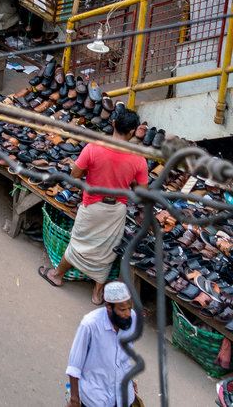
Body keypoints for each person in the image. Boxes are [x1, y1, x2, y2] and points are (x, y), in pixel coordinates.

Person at [40, 107, 147, 301]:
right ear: (133, 131)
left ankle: (57, 275)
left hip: (92, 204)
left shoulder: (93, 148)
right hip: (116, 209)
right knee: (106, 251)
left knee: (78, 242)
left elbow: (75, 175)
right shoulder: (139, 159)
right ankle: (97, 294)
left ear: (113, 124)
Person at [65, 281, 138, 407]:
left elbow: (124, 356)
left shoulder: (132, 318)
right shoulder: (90, 325)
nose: (127, 313)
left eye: (129, 308)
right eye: (122, 309)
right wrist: (75, 399)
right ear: (108, 307)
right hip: (95, 398)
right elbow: (74, 366)